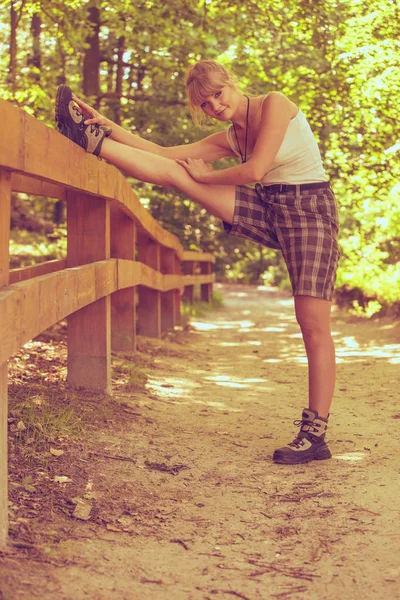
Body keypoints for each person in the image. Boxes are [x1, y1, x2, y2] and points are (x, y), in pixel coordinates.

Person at [55, 60, 340, 465]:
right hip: (270, 205)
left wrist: (206, 178)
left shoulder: (275, 104)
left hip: (310, 211)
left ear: (232, 84)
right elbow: (162, 154)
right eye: (204, 104)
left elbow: (257, 169)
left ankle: (315, 436)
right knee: (178, 173)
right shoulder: (229, 138)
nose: (214, 106)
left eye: (217, 95)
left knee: (311, 323)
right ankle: (90, 140)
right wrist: (107, 125)